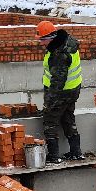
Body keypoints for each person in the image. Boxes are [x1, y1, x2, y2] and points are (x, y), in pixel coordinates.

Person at [38, 20, 83, 163]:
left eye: (42, 40)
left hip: (61, 92)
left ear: (49, 38)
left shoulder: (58, 53)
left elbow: (58, 80)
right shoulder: (68, 43)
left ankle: (54, 156)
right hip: (73, 90)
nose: (41, 44)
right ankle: (76, 152)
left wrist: (49, 102)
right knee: (68, 119)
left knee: (50, 121)